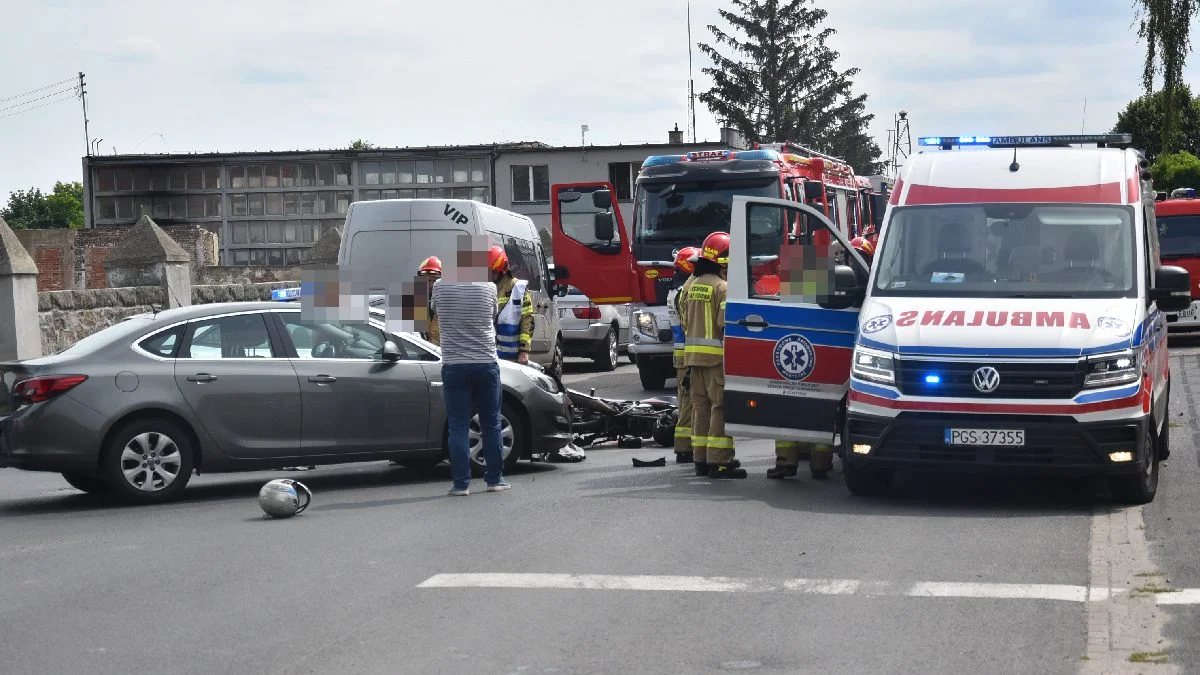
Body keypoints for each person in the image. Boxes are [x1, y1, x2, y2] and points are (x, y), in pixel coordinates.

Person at [431, 239, 509, 496]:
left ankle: (460, 484)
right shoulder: (488, 288)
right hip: (485, 363)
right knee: (491, 423)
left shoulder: (440, 287)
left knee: (458, 425)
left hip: (454, 364)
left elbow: (434, 311)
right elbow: (492, 316)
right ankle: (494, 480)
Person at [682, 232, 745, 479]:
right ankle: (719, 461)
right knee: (720, 408)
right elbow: (725, 324)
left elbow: (685, 319)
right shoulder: (722, 288)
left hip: (693, 358)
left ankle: (700, 458)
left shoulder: (692, 285)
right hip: (716, 359)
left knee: (700, 408)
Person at [667, 245, 700, 464]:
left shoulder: (675, 290)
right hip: (688, 354)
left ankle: (684, 445)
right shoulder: (683, 291)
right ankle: (685, 447)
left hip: (681, 353)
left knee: (685, 400)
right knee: (689, 401)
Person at [488, 245, 534, 365]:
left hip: (512, 357)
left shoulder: (519, 289)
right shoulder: (484, 288)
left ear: (502, 270)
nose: (489, 276)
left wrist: (524, 350)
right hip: (488, 355)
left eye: (492, 272)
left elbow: (527, 320)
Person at [417, 255, 442, 346]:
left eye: (434, 280)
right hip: (421, 352)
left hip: (443, 353)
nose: (430, 284)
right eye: (427, 280)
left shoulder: (449, 302)